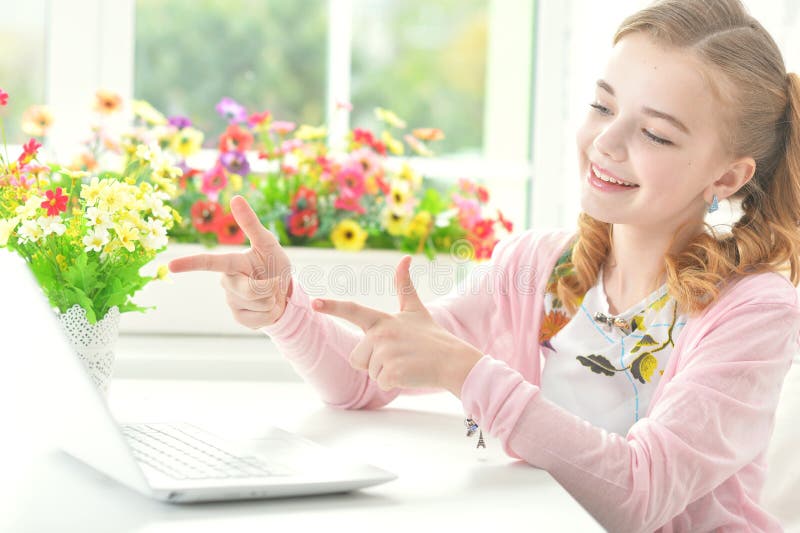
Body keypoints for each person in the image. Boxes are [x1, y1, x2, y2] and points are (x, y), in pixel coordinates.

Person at [169, 0, 800, 530]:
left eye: (657, 134)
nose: (606, 142)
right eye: (603, 107)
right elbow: (363, 381)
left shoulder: (753, 310)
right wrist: (286, 310)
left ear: (728, 175)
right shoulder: (536, 268)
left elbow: (640, 495)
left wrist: (466, 372)